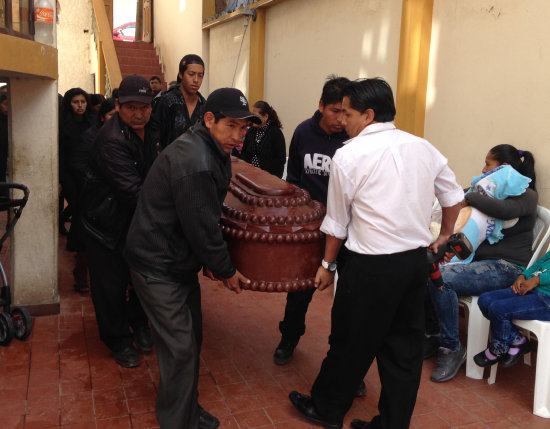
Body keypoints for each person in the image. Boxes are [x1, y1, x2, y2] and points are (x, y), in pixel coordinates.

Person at [288, 78, 464, 429]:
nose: (342, 121)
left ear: (368, 115)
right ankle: (392, 423)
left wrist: (326, 264)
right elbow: (453, 196)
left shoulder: (349, 155)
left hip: (368, 267)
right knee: (404, 350)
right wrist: (444, 234)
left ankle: (326, 409)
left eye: (349, 114)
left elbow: (337, 223)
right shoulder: (422, 147)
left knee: (349, 340)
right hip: (413, 264)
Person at [124, 88, 259, 429]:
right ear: (209, 119)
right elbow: (202, 226)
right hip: (158, 266)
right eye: (231, 126)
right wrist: (225, 268)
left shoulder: (210, 147)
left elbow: (206, 216)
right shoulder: (193, 160)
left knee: (191, 338)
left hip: (177, 261)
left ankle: (185, 407)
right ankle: (178, 422)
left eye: (244, 128)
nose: (238, 136)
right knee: (181, 347)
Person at [428, 144, 537, 383]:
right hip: (478, 264)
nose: (483, 169)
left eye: (488, 164)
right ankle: (436, 334)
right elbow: (455, 200)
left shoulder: (526, 195)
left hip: (507, 267)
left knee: (442, 280)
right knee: (424, 268)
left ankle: (451, 347)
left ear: (504, 168)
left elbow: (503, 210)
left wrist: (470, 195)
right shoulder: (484, 192)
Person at [80, 75, 158, 368]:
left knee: (141, 279)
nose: (139, 114)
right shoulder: (111, 140)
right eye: (131, 108)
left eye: (145, 107)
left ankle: (138, 325)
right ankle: (118, 339)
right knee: (110, 287)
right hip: (105, 224)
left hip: (135, 221)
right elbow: (133, 192)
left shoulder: (151, 129)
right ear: (118, 106)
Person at [273, 76, 350, 365]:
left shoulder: (353, 140)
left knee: (347, 299)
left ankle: (344, 360)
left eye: (346, 112)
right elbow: (292, 178)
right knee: (300, 291)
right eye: (334, 110)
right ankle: (289, 338)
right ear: (320, 106)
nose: (341, 119)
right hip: (310, 228)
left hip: (347, 231)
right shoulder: (303, 132)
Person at [474, 250, 550, 368]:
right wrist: (523, 276)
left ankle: (499, 348)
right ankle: (517, 340)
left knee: (498, 309)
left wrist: (537, 280)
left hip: (546, 299)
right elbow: (539, 263)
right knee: (485, 300)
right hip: (531, 289)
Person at [59, 88, 94, 293]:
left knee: (84, 215)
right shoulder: (64, 125)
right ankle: (80, 269)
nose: (80, 105)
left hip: (90, 175)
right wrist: (61, 180)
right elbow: (62, 154)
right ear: (69, 104)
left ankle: (79, 252)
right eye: (75, 102)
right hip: (71, 177)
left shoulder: (92, 123)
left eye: (82, 101)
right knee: (79, 211)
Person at [152, 54, 206, 150]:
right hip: (169, 161)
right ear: (181, 74)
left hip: (197, 162)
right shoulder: (167, 101)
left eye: (200, 76)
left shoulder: (204, 106)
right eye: (191, 74)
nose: (196, 80)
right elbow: (153, 135)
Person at [237, 100, 286, 178]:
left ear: (265, 117)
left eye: (255, 116)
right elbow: (244, 153)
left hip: (268, 179)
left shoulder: (276, 133)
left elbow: (280, 161)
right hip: (249, 176)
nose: (252, 119)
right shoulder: (251, 131)